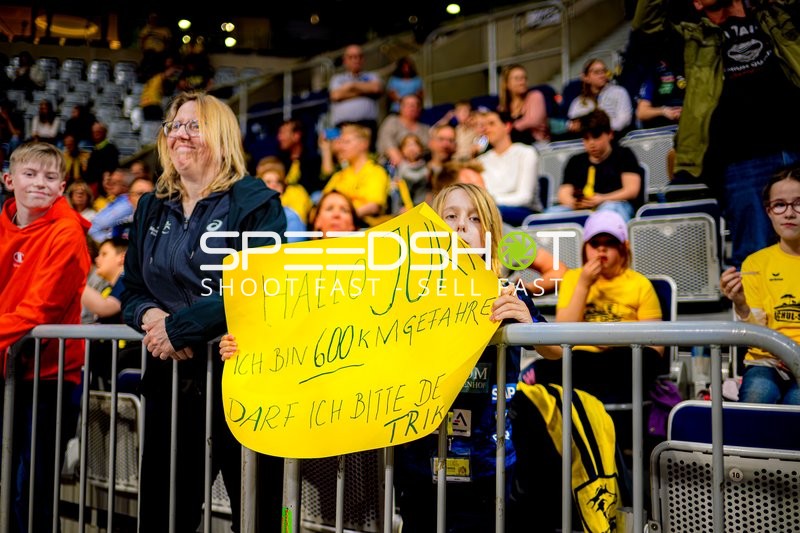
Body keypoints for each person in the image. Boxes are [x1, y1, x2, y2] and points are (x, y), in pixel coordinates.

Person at [120, 91, 288, 532]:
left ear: (221, 133)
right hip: (170, 381)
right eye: (174, 126)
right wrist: (150, 319)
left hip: (243, 377)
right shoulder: (150, 206)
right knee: (164, 513)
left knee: (256, 515)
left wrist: (182, 329)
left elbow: (256, 284)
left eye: (193, 125)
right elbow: (132, 289)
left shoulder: (255, 201)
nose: (180, 135)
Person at [392, 182, 561, 532]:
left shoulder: (506, 292)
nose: (460, 226)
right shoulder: (412, 295)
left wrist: (528, 323)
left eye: (473, 218)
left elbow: (555, 350)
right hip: (419, 460)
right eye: (449, 216)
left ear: (489, 233)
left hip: (486, 460)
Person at [632, 0, 800, 268]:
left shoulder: (773, 13)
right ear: (697, 3)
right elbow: (646, 23)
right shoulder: (691, 37)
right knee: (754, 254)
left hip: (795, 142)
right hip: (741, 159)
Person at [0, 141, 92, 531]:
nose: (40, 183)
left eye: (50, 177)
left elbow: (40, 310)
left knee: (33, 487)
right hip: (6, 368)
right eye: (30, 174)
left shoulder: (68, 232)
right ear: (9, 179)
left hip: (51, 377)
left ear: (61, 186)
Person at [532, 209, 664, 404]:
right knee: (550, 366)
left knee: (646, 359)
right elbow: (561, 335)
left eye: (610, 243)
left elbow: (657, 347)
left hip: (623, 358)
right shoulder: (572, 278)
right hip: (581, 360)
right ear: (585, 248)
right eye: (595, 244)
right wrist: (584, 285)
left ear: (623, 248)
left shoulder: (640, 283)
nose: (601, 250)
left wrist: (610, 340)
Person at [719, 168, 800, 405]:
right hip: (766, 361)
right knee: (757, 397)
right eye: (779, 205)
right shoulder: (755, 263)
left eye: (798, 203)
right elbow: (756, 333)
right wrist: (741, 304)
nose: (789, 213)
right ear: (769, 212)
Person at [550, 109, 644, 221]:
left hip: (617, 205)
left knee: (608, 210)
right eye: (586, 138)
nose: (591, 143)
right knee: (551, 214)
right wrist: (575, 204)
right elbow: (563, 193)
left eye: (596, 136)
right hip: (581, 210)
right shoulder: (575, 161)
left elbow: (631, 190)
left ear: (610, 134)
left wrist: (602, 199)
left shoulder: (624, 155)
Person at [477, 109, 542, 226]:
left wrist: (491, 202)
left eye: (491, 124)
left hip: (525, 213)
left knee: (487, 214)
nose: (486, 129)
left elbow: (524, 197)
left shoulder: (526, 153)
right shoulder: (481, 160)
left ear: (507, 126)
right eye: (484, 126)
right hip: (490, 209)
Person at [321, 124, 391, 225]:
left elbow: (374, 206)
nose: (341, 147)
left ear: (364, 144)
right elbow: (323, 203)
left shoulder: (376, 172)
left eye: (347, 142)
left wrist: (345, 217)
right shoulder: (339, 175)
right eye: (341, 142)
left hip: (364, 228)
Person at [328, 44, 383, 145]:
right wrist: (365, 91)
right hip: (343, 127)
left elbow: (376, 89)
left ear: (363, 59)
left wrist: (351, 86)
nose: (356, 60)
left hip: (367, 127)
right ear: (345, 60)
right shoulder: (337, 79)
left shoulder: (372, 76)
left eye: (359, 56)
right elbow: (335, 96)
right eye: (351, 57)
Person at [567, 58, 633, 136]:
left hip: (615, 137)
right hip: (587, 142)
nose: (602, 75)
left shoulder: (619, 92)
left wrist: (600, 129)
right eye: (596, 72)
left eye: (604, 71)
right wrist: (573, 126)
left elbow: (624, 120)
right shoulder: (578, 102)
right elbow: (571, 123)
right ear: (586, 77)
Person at [257, 156, 309, 242]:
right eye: (268, 182)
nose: (274, 185)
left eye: (278, 182)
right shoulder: (252, 214)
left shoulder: (291, 217)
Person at [498, 64, 550, 143]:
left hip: (536, 145)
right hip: (513, 147)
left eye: (524, 78)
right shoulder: (502, 107)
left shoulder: (535, 96)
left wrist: (510, 127)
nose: (522, 82)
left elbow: (533, 121)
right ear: (506, 84)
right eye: (517, 79)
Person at [376, 94, 430, 168]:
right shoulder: (392, 121)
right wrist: (405, 167)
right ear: (401, 107)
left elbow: (429, 149)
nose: (413, 107)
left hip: (420, 166)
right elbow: (387, 144)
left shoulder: (425, 128)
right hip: (391, 166)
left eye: (416, 105)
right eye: (409, 105)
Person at [276, 118, 324, 196]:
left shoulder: (313, 161)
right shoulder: (280, 161)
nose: (279, 137)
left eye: (283, 133)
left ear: (296, 136)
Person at [89, 167, 135, 244]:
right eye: (111, 181)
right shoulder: (116, 200)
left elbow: (102, 222)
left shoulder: (127, 203)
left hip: (112, 245)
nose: (110, 185)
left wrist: (92, 222)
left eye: (114, 182)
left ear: (125, 186)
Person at [85, 121, 120, 198]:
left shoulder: (111, 148)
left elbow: (112, 168)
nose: (96, 134)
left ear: (104, 132)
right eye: (94, 132)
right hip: (92, 187)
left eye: (98, 132)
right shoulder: (95, 149)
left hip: (104, 189)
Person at [393, 133, 429, 208]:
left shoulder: (426, 168)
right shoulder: (399, 168)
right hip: (403, 207)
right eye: (408, 145)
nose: (411, 148)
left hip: (421, 205)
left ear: (421, 148)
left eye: (415, 145)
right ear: (402, 150)